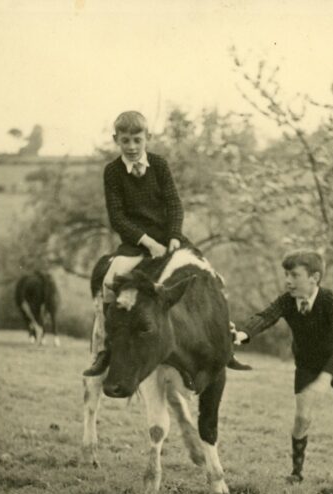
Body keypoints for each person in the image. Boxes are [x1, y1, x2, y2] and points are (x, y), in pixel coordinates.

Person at [84, 110, 249, 376]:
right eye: (125, 141)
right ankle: (106, 349)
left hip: (169, 238)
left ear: (147, 137)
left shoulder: (159, 165)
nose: (132, 147)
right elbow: (117, 218)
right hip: (135, 243)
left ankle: (224, 342)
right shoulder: (112, 172)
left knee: (213, 277)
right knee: (109, 282)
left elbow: (174, 203)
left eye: (137, 140)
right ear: (116, 140)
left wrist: (173, 235)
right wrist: (148, 243)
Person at [233, 249, 333, 494]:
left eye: (294, 275)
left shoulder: (330, 301)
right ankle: (296, 473)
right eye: (286, 275)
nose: (288, 281)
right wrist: (242, 333)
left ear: (314, 278)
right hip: (307, 365)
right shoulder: (287, 301)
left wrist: (326, 377)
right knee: (302, 418)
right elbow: (265, 316)